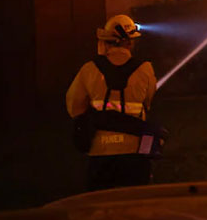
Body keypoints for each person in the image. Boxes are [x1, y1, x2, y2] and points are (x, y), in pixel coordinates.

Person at [66, 14, 157, 191]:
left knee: (100, 202)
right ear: (130, 43)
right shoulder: (145, 69)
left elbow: (74, 106)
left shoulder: (89, 69)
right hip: (135, 150)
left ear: (106, 42)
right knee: (135, 201)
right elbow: (148, 102)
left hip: (99, 151)